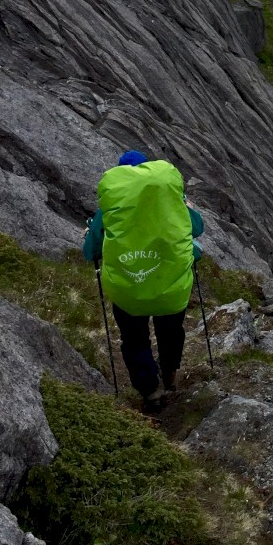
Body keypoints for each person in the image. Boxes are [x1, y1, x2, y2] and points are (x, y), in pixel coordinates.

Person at [83, 150, 204, 409]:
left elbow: (89, 251)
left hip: (128, 288)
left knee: (134, 338)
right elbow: (197, 228)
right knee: (170, 331)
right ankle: (170, 375)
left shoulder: (111, 209)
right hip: (170, 284)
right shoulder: (172, 202)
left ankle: (150, 390)